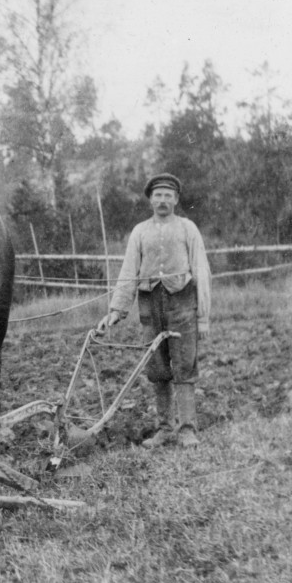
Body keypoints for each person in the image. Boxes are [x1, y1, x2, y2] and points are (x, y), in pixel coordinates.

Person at [96, 172, 211, 447]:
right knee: (158, 369)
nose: (162, 200)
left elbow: (202, 272)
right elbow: (128, 272)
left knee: (184, 366)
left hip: (182, 306)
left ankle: (187, 430)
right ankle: (165, 429)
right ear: (150, 200)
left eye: (168, 195)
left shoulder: (187, 228)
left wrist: (203, 317)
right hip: (150, 308)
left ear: (176, 199)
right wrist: (116, 311)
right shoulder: (140, 231)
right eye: (158, 195)